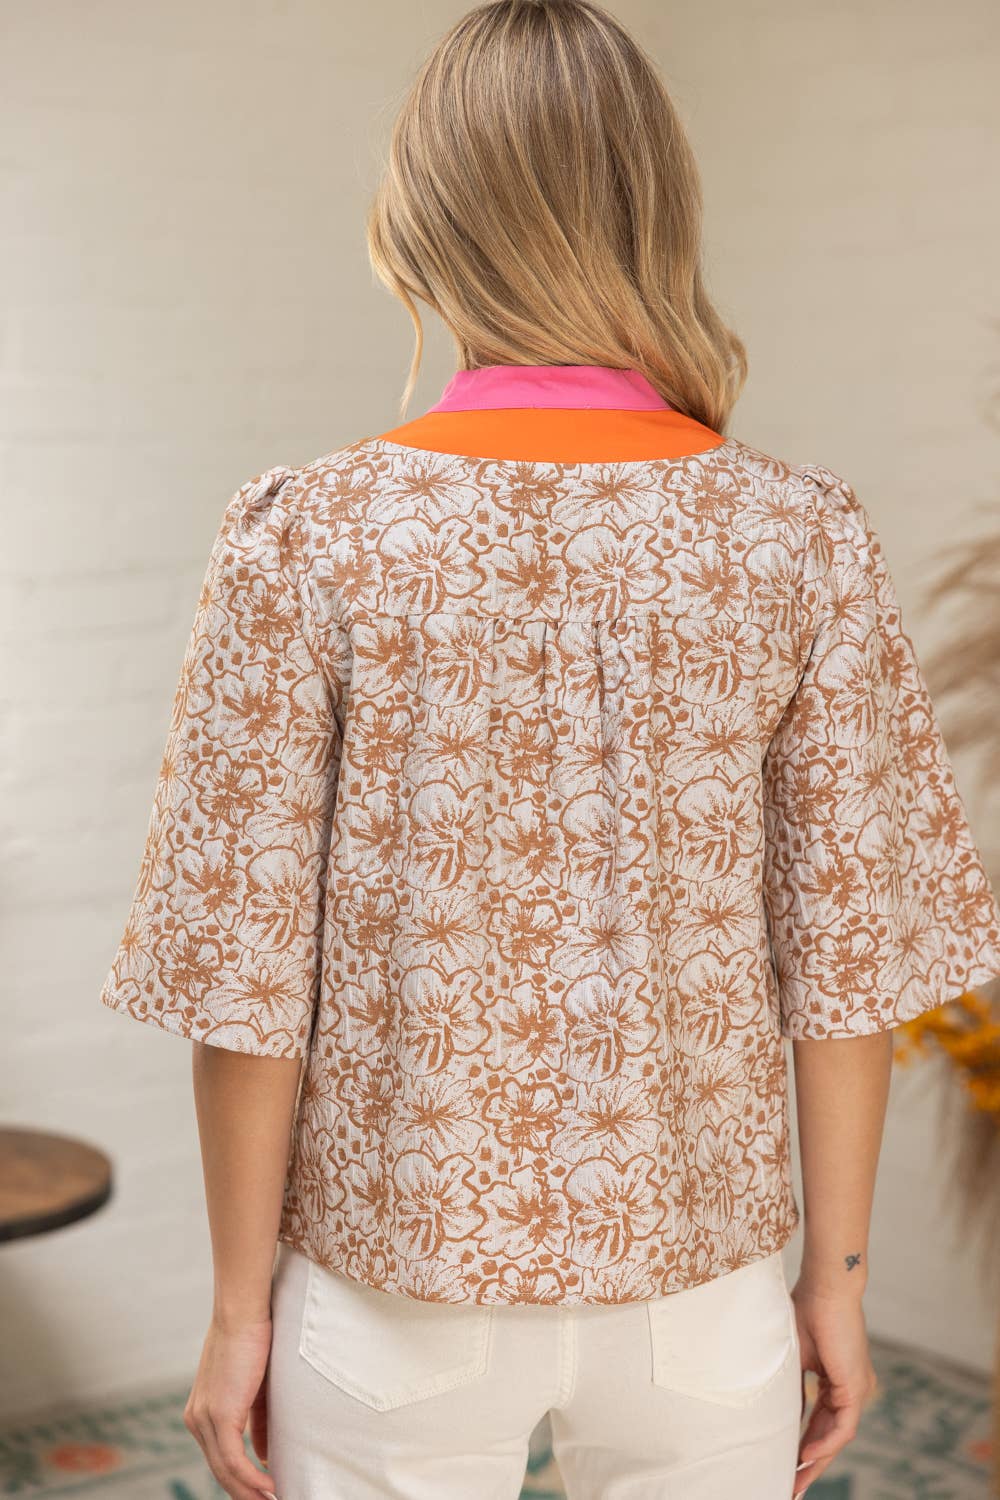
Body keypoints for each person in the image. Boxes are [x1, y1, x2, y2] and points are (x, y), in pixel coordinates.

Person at [98, 2, 1000, 1498]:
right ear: (659, 211)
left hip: (390, 1290)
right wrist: (836, 1285)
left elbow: (249, 987)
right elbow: (846, 965)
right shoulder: (798, 536)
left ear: (419, 227)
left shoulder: (306, 533)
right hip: (701, 1298)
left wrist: (238, 1311)